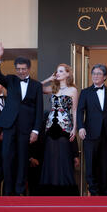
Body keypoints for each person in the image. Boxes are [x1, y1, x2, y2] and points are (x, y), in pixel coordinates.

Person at [0, 41, 43, 196]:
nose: (21, 71)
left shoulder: (36, 85)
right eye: (18, 69)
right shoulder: (10, 80)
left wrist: (35, 130)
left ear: (29, 68)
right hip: (9, 126)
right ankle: (7, 192)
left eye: (23, 69)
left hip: (26, 128)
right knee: (7, 159)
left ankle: (20, 191)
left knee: (22, 161)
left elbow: (39, 109)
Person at [77, 64, 107, 196]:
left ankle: (105, 193)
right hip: (90, 134)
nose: (95, 76)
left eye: (99, 73)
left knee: (105, 165)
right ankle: (93, 192)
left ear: (105, 76)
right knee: (90, 165)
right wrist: (81, 127)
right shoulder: (85, 92)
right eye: (93, 73)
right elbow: (79, 111)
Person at [40, 64, 79, 195]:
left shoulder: (73, 90)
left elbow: (74, 110)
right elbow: (37, 89)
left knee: (63, 157)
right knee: (50, 158)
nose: (58, 73)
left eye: (61, 71)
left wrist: (75, 128)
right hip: (50, 127)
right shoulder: (53, 88)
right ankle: (50, 190)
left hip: (65, 127)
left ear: (68, 74)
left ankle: (65, 190)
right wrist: (48, 79)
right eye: (57, 71)